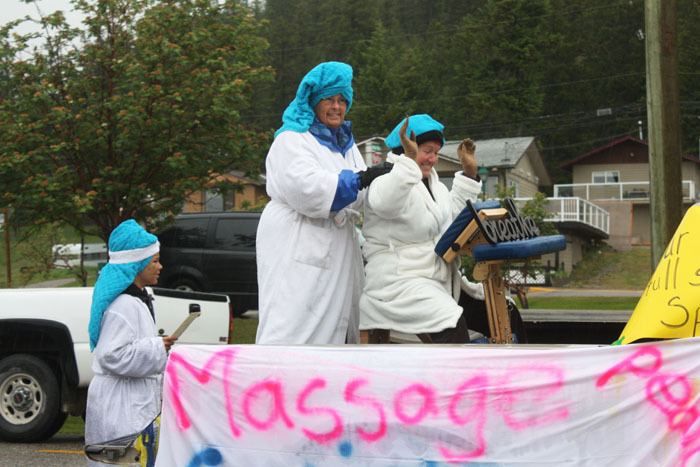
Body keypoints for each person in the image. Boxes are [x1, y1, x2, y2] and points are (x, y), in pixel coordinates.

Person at [255, 61, 390, 345]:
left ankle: (325, 383)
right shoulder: (291, 140)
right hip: (300, 239)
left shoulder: (347, 145)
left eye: (342, 100)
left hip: (337, 244)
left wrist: (386, 181)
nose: (337, 106)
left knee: (336, 326)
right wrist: (360, 180)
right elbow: (306, 188)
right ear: (314, 101)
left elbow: (361, 195)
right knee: (295, 321)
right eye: (329, 99)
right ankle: (278, 380)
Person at [359, 114, 486, 343]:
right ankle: (454, 379)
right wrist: (408, 162)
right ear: (408, 146)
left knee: (496, 309)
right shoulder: (386, 177)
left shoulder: (433, 183)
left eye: (436, 153)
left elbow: (451, 218)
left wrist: (469, 174)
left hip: (433, 280)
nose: (433, 159)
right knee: (451, 322)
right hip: (396, 284)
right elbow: (386, 203)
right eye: (427, 150)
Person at [85, 219, 176, 466]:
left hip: (130, 402)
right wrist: (158, 347)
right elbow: (110, 355)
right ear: (136, 264)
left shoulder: (138, 300)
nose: (160, 266)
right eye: (154, 261)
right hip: (121, 408)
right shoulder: (123, 305)